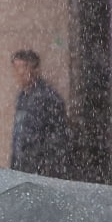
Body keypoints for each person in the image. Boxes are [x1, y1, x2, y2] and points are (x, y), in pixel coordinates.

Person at [9, 50, 71, 179]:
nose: (20, 73)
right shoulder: (22, 98)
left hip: (40, 171)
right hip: (23, 169)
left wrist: (44, 165)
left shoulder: (48, 98)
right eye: (17, 68)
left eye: (24, 67)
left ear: (35, 69)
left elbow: (58, 137)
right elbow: (18, 138)